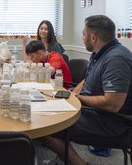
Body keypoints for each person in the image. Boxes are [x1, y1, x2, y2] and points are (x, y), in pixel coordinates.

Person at [39, 15, 132, 165]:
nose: (82, 38)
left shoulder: (116, 59)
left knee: (46, 127)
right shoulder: (100, 54)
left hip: (112, 122)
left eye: (83, 34)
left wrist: (78, 98)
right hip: (92, 110)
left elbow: (112, 104)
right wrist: (73, 93)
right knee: (45, 111)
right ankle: (64, 155)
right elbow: (87, 79)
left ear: (93, 38)